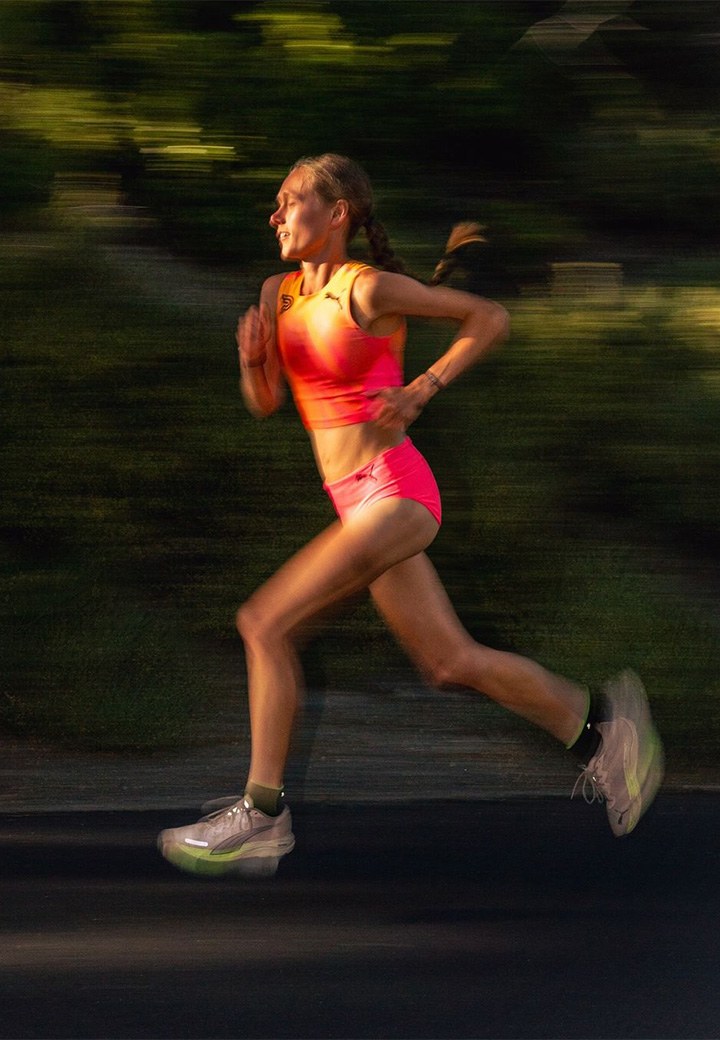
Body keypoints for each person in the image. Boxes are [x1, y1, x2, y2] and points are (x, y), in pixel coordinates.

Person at [157, 154, 664, 877]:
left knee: (263, 624)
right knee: (448, 662)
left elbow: (488, 318)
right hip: (355, 504)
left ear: (336, 214)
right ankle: (603, 730)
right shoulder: (278, 294)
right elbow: (267, 404)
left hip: (395, 492)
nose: (274, 215)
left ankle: (262, 815)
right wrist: (252, 362)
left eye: (289, 201)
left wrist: (422, 388)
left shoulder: (368, 289)